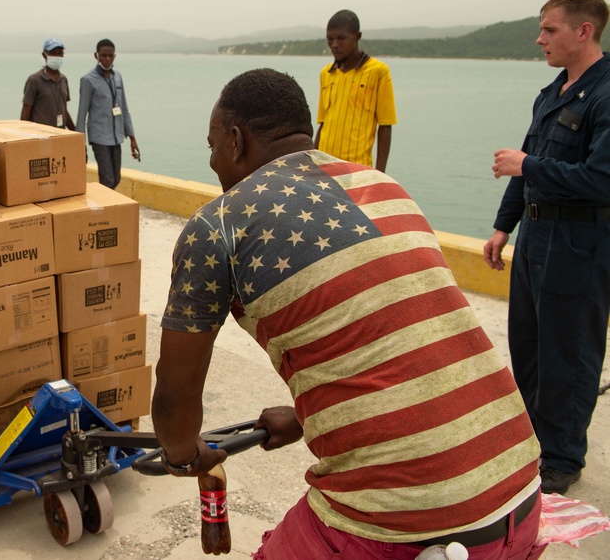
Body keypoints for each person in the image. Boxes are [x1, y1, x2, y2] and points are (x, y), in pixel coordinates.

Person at [152, 68, 544, 558]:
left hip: (398, 525)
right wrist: (305, 415)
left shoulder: (219, 226)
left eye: (212, 146)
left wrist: (183, 454)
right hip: (522, 496)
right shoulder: (384, 186)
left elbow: (175, 394)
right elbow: (399, 339)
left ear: (235, 140)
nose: (211, 161)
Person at [484, 0, 610, 496]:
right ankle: (534, 440)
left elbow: (602, 180)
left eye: (550, 29)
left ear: (585, 31)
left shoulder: (606, 94)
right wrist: (503, 226)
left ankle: (561, 457)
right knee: (530, 346)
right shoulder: (553, 92)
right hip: (537, 235)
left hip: (580, 242)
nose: (540, 39)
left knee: (570, 350)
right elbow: (527, 165)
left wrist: (527, 165)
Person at [314, 10, 396, 172]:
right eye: (330, 39)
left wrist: (379, 175)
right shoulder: (327, 74)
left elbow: (385, 126)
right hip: (324, 167)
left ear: (357, 37)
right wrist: (312, 164)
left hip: (357, 168)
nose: (334, 45)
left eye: (341, 38)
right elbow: (322, 124)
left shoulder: (378, 72)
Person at [77, 39, 139, 189]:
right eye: (104, 55)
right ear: (96, 55)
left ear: (114, 56)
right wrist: (80, 144)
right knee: (107, 180)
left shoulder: (117, 77)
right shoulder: (88, 80)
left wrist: (132, 137)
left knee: (116, 178)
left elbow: (123, 107)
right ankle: (107, 211)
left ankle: (107, 206)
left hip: (116, 137)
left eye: (110, 56)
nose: (107, 59)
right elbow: (81, 114)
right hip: (99, 138)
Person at [21, 38, 72, 130]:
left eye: (60, 53)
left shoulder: (63, 79)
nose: (57, 57)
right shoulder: (34, 80)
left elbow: (64, 110)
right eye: (53, 53)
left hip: (60, 135)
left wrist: (75, 133)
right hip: (40, 135)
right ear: (44, 55)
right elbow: (26, 112)